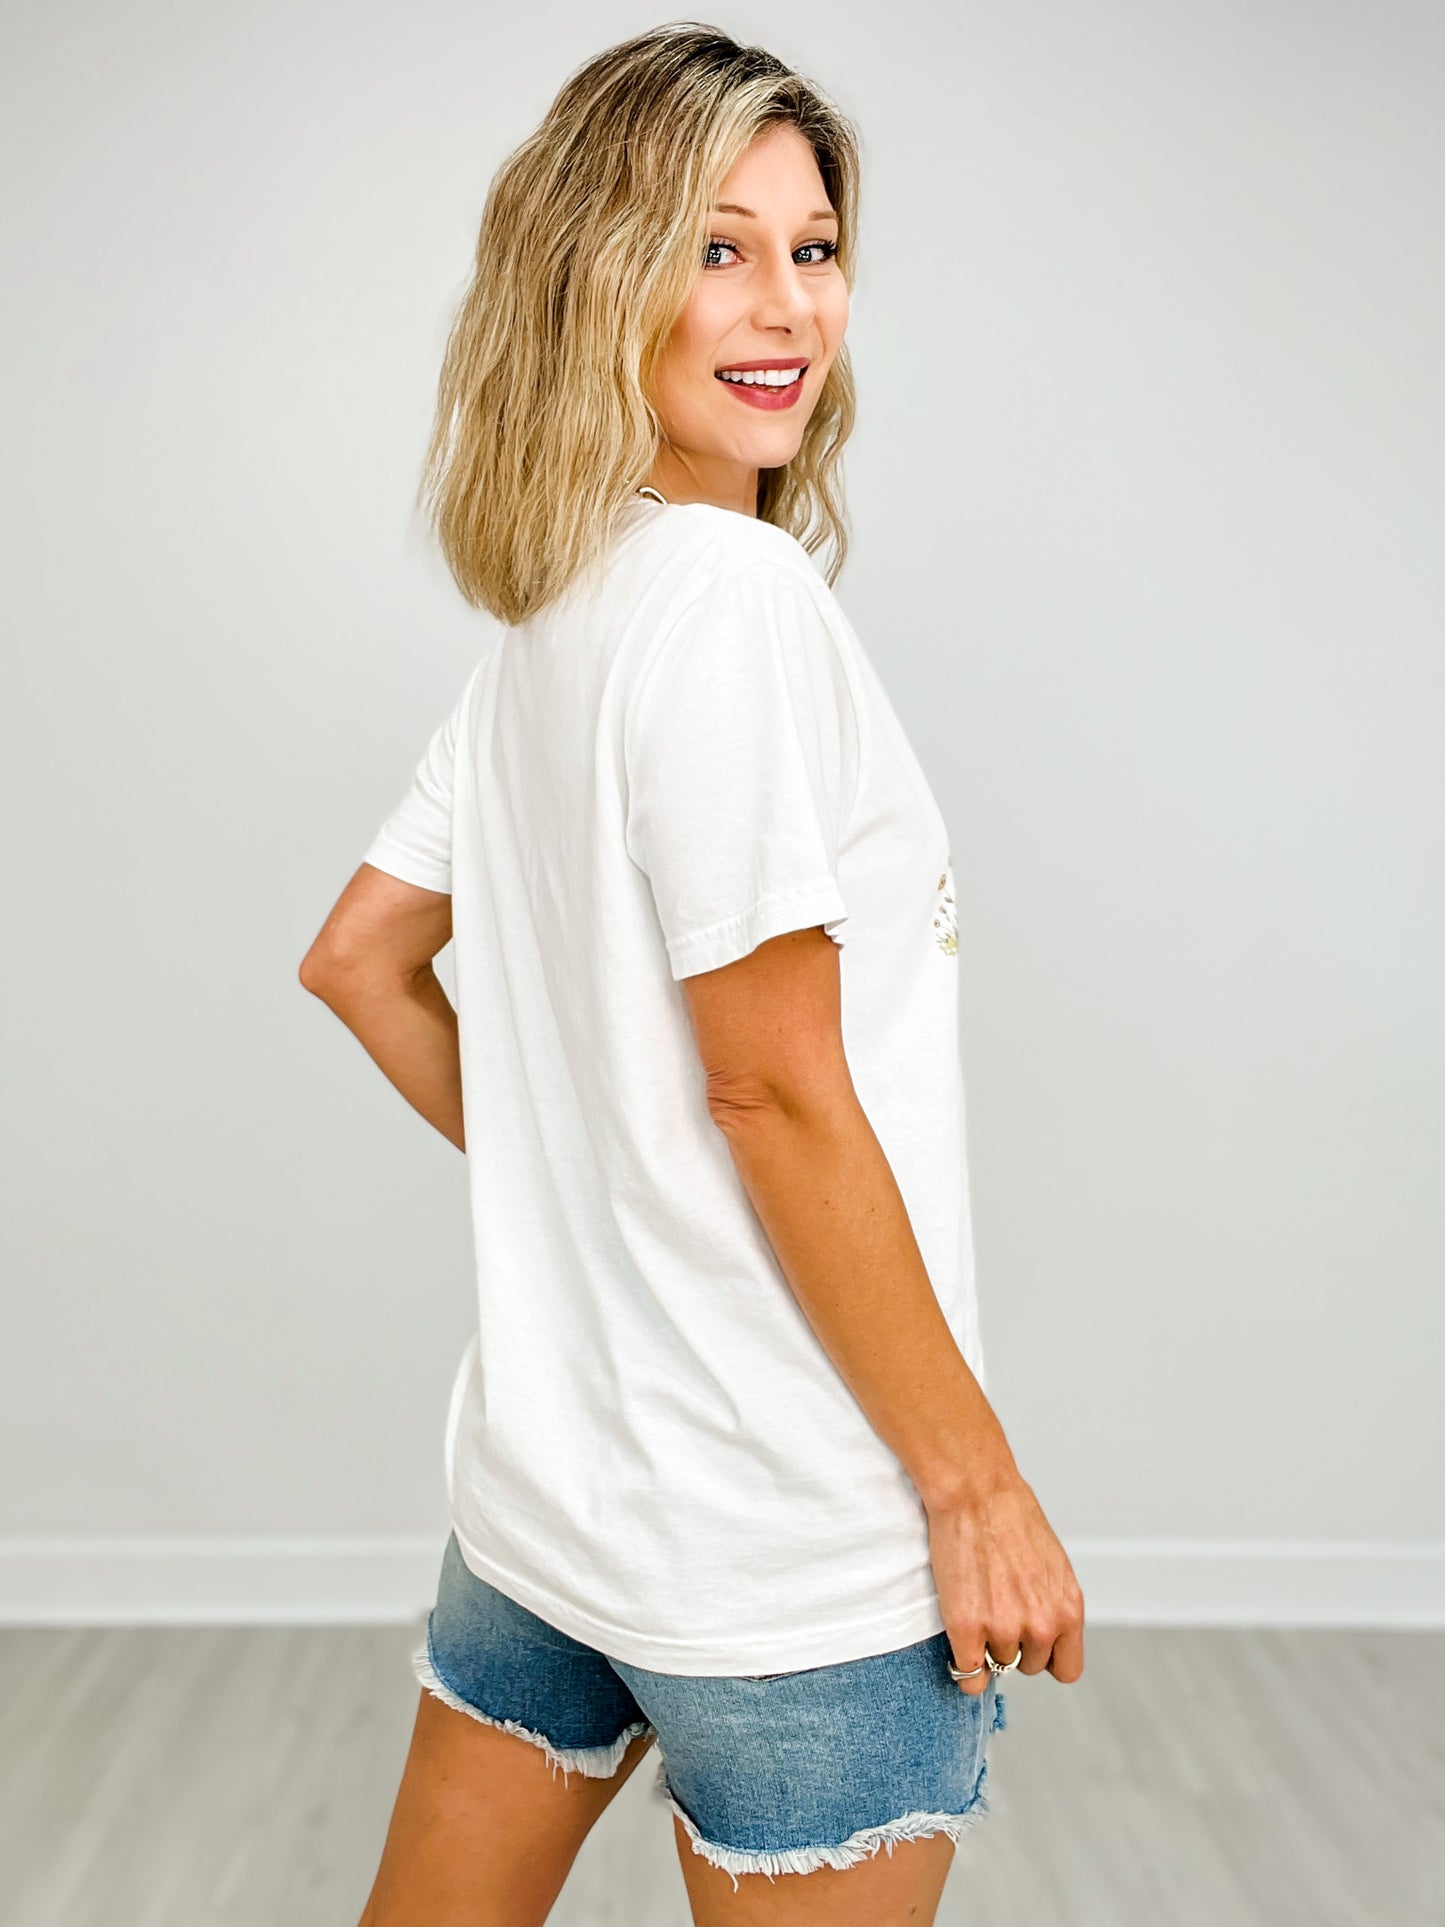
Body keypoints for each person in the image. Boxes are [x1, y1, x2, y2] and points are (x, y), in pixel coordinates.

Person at [300, 23, 1084, 1927]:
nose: (784, 306)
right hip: (780, 1550)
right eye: (716, 248)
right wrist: (974, 1486)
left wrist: (602, 1192)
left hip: (551, 1508)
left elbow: (361, 960)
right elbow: (773, 1087)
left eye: (813, 249)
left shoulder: (559, 608)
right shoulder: (732, 605)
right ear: (601, 274)